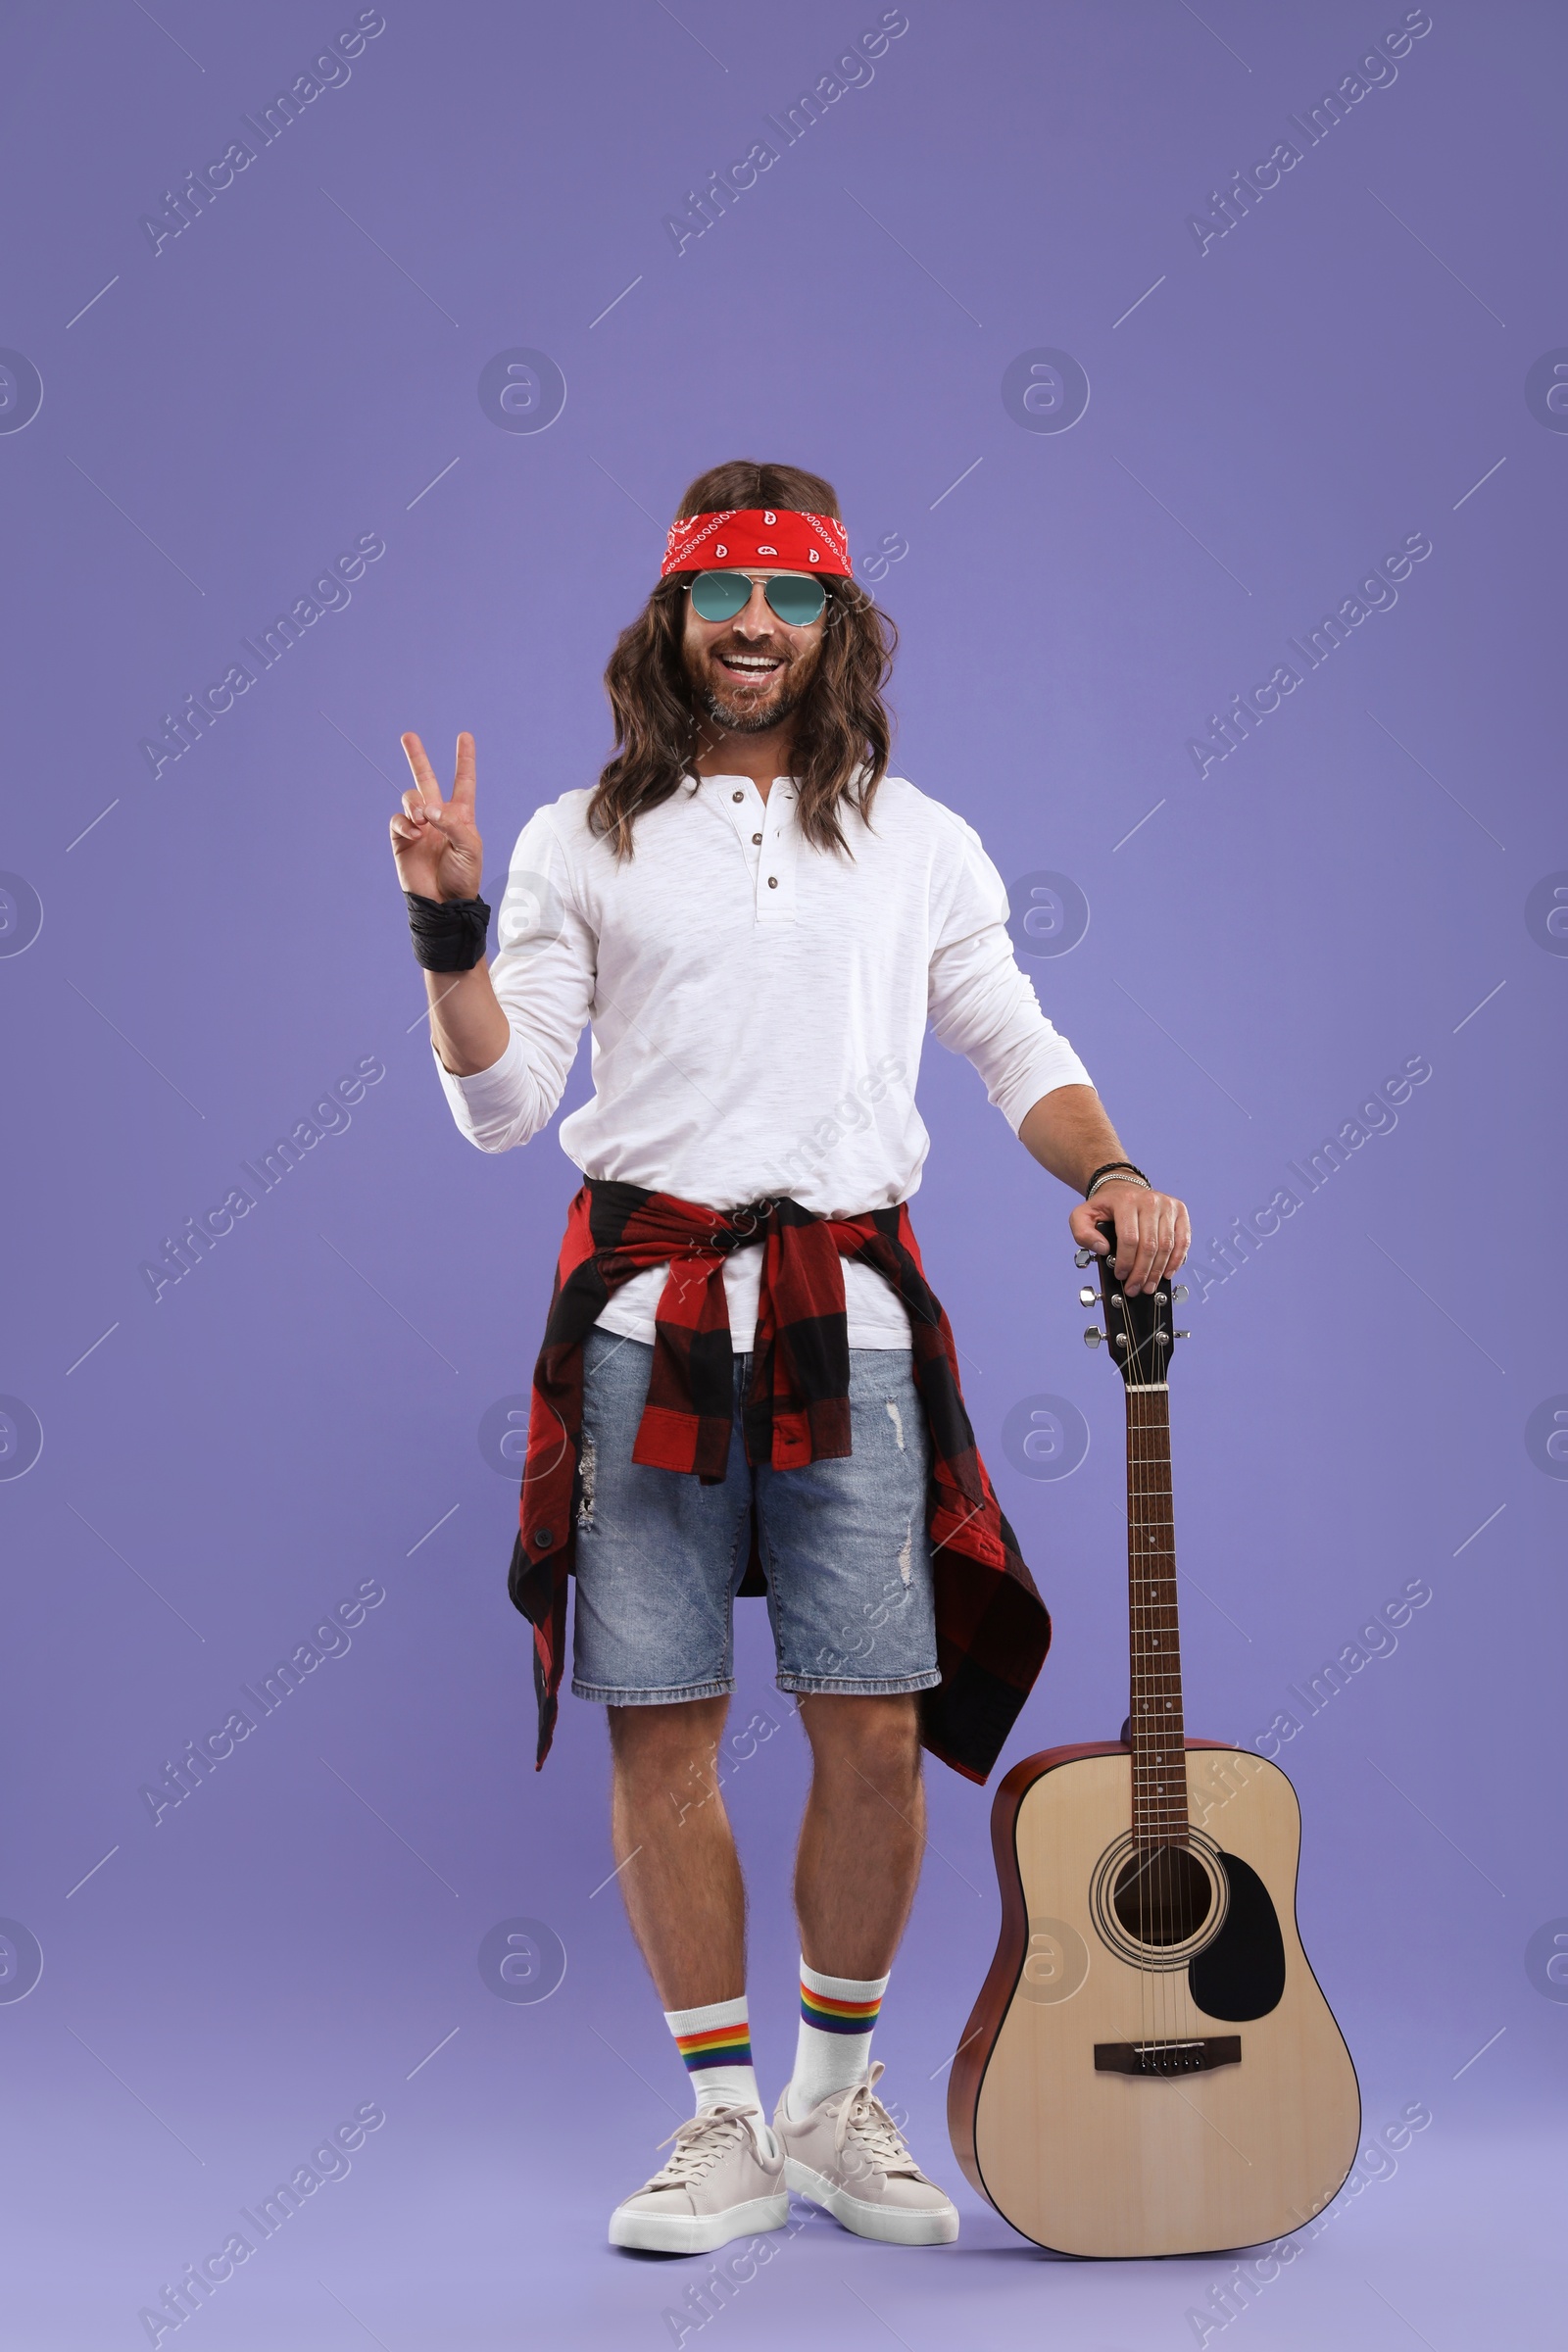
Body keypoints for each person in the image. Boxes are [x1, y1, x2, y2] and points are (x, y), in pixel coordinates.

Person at [389, 460, 1190, 2256]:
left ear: (841, 625)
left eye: (795, 594)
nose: (757, 624)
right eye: (724, 592)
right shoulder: (568, 836)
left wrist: (1116, 1167)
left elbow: (1013, 1041)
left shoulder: (922, 840)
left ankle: (836, 2105)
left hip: (853, 1318)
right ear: (671, 616)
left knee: (878, 1729)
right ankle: (722, 2125)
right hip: (647, 1315)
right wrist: (446, 929)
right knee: (662, 1721)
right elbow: (509, 1107)